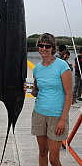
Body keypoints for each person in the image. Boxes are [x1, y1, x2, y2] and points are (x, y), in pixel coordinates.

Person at [31, 33, 72, 166]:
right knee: (42, 153)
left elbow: (69, 94)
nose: (44, 48)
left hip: (56, 116)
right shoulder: (37, 69)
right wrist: (26, 88)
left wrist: (63, 119)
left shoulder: (62, 66)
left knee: (54, 159)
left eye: (47, 46)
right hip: (39, 113)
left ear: (52, 48)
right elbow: (36, 92)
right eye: (41, 45)